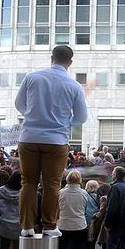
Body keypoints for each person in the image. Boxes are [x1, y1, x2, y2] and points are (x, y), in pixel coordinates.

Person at [14, 45, 88, 237]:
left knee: (28, 183)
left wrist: (32, 116)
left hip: (29, 137)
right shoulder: (74, 86)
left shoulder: (32, 77)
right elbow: (81, 117)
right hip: (57, 140)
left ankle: (27, 227)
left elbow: (19, 104)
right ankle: (49, 226)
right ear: (70, 62)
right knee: (52, 185)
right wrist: (64, 123)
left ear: (51, 58)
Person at [57, 170, 89, 249]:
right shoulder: (84, 193)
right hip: (79, 224)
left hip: (64, 224)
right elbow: (84, 208)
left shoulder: (60, 193)